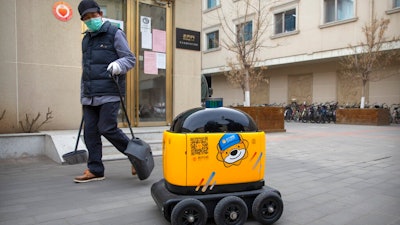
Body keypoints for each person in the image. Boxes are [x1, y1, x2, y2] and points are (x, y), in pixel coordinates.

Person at [74, 0, 136, 183]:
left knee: (107, 128)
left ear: (100, 14)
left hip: (110, 91)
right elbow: (86, 68)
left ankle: (136, 155)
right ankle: (95, 170)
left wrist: (118, 65)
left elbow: (129, 59)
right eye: (87, 17)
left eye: (93, 15)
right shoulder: (86, 40)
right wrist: (83, 93)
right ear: (83, 20)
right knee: (90, 133)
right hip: (89, 95)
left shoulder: (114, 33)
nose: (91, 19)